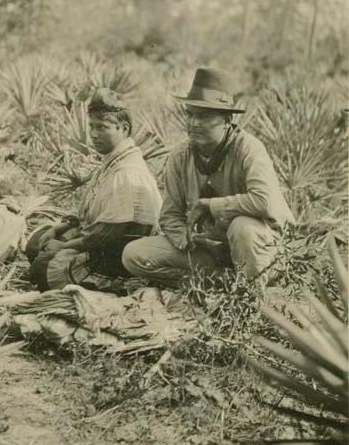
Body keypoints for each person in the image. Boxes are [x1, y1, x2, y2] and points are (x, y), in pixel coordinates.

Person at [122, 67, 294, 287]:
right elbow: (169, 215)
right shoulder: (180, 155)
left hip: (261, 247)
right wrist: (188, 240)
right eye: (190, 114)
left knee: (243, 228)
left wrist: (211, 205)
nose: (193, 123)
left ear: (227, 120)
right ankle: (219, 282)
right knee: (134, 254)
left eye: (204, 116)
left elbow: (263, 200)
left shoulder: (248, 149)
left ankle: (250, 292)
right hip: (210, 252)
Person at [27, 88, 162, 293]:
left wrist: (65, 247)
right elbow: (90, 216)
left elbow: (107, 234)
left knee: (41, 267)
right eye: (91, 127)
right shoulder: (113, 161)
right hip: (101, 240)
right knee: (36, 243)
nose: (94, 134)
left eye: (102, 127)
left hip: (117, 255)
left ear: (124, 129)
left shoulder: (127, 172)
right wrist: (59, 229)